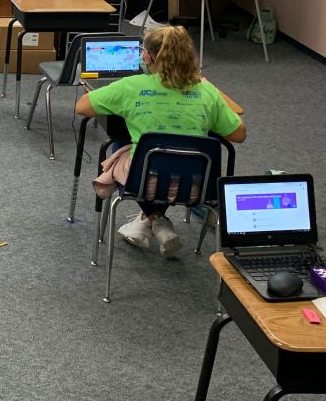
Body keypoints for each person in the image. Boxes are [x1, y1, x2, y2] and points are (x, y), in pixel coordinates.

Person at [75, 25, 246, 256]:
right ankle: (155, 220)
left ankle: (154, 218)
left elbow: (81, 107)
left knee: (120, 146)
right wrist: (208, 89)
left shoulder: (131, 87)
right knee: (167, 157)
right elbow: (239, 135)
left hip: (145, 182)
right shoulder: (207, 91)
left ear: (148, 56)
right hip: (198, 186)